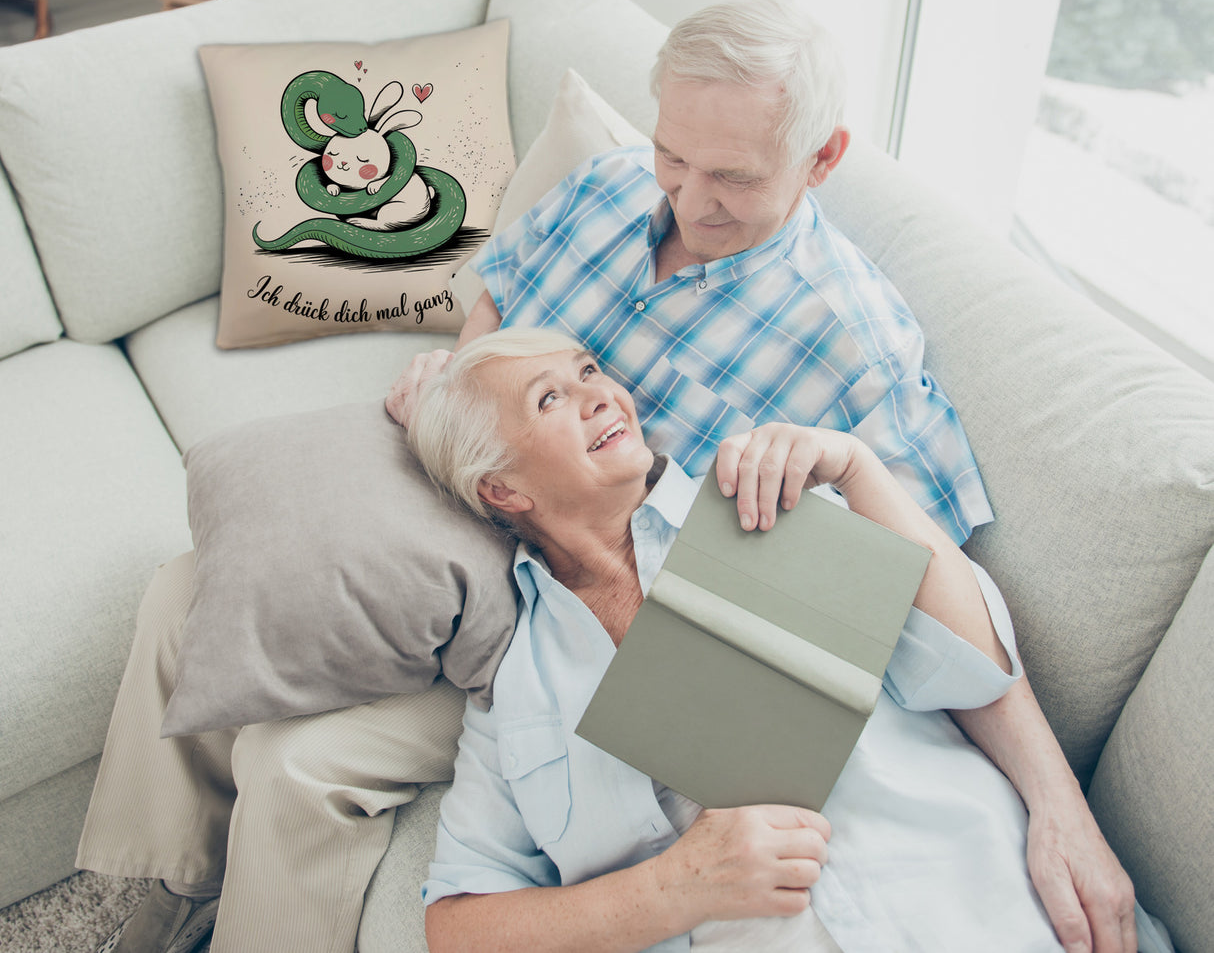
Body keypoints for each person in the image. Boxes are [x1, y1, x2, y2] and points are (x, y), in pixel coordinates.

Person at [388, 0, 1136, 952]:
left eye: (732, 177)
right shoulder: (609, 189)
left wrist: (1058, 806)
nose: (689, 202)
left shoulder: (833, 393)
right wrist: (463, 396)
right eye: (674, 157)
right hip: (496, 574)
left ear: (822, 159)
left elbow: (943, 623)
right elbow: (500, 288)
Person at [407, 327, 1155, 953]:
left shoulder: (762, 500)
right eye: (550, 398)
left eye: (589, 371)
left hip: (987, 906)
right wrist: (672, 889)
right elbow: (458, 926)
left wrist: (858, 468)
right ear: (501, 489)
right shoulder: (516, 690)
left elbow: (973, 668)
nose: (601, 394)